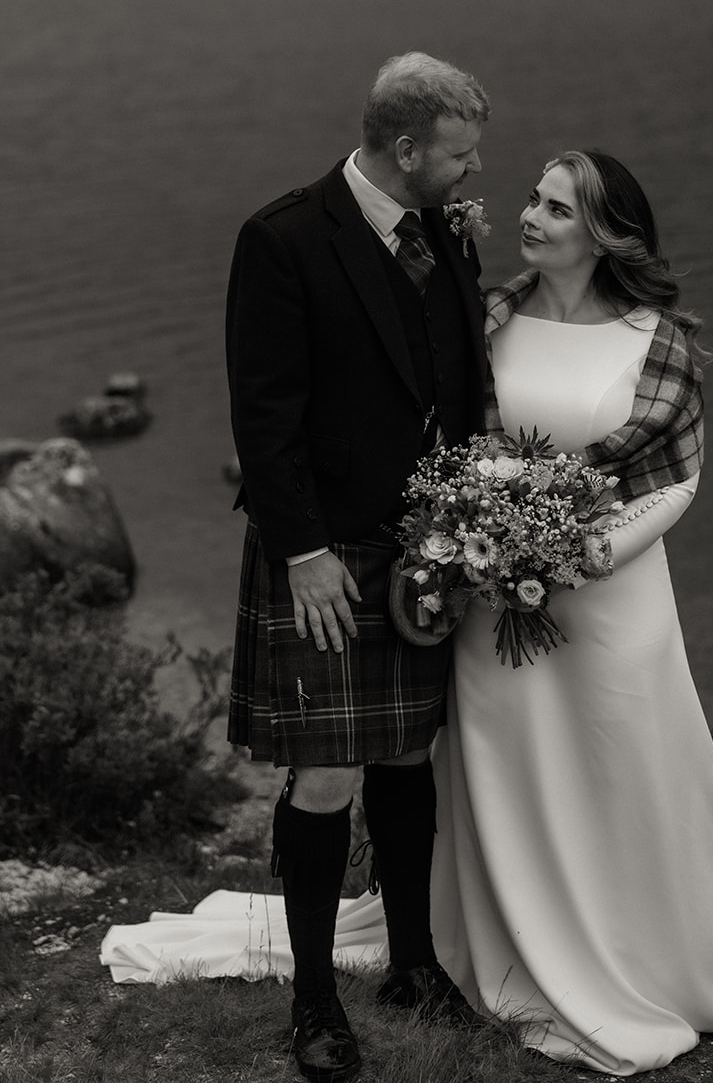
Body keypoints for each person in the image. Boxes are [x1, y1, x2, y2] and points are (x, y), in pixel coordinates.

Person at [428, 149, 713, 1074]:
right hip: (490, 596)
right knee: (509, 764)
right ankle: (517, 945)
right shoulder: (488, 316)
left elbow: (679, 483)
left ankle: (661, 958)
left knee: (624, 760)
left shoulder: (653, 339)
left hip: (615, 600)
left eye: (556, 209)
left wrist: (580, 556)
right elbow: (458, 444)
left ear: (603, 234)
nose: (531, 217)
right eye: (533, 201)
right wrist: (491, 549)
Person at [225, 52, 490, 1081]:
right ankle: (312, 1002)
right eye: (459, 154)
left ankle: (412, 962)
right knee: (327, 769)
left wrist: (466, 524)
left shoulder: (441, 233)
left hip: (422, 545)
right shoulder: (283, 237)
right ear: (404, 146)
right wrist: (302, 553)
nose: (474, 169)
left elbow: (454, 379)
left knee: (404, 757)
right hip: (327, 550)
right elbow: (264, 415)